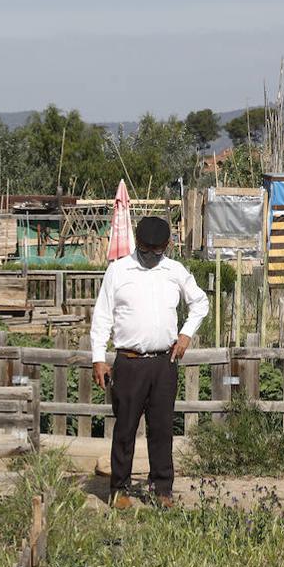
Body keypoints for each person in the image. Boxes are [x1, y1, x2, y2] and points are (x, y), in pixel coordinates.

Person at [90, 216, 209, 510]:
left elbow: (200, 303)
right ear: (137, 243)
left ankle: (162, 490)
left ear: (166, 246)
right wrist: (97, 358)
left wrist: (186, 335)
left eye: (157, 252)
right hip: (129, 362)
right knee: (125, 428)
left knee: (162, 429)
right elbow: (102, 317)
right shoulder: (118, 271)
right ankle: (119, 490)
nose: (151, 257)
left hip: (163, 362)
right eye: (145, 250)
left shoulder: (175, 270)